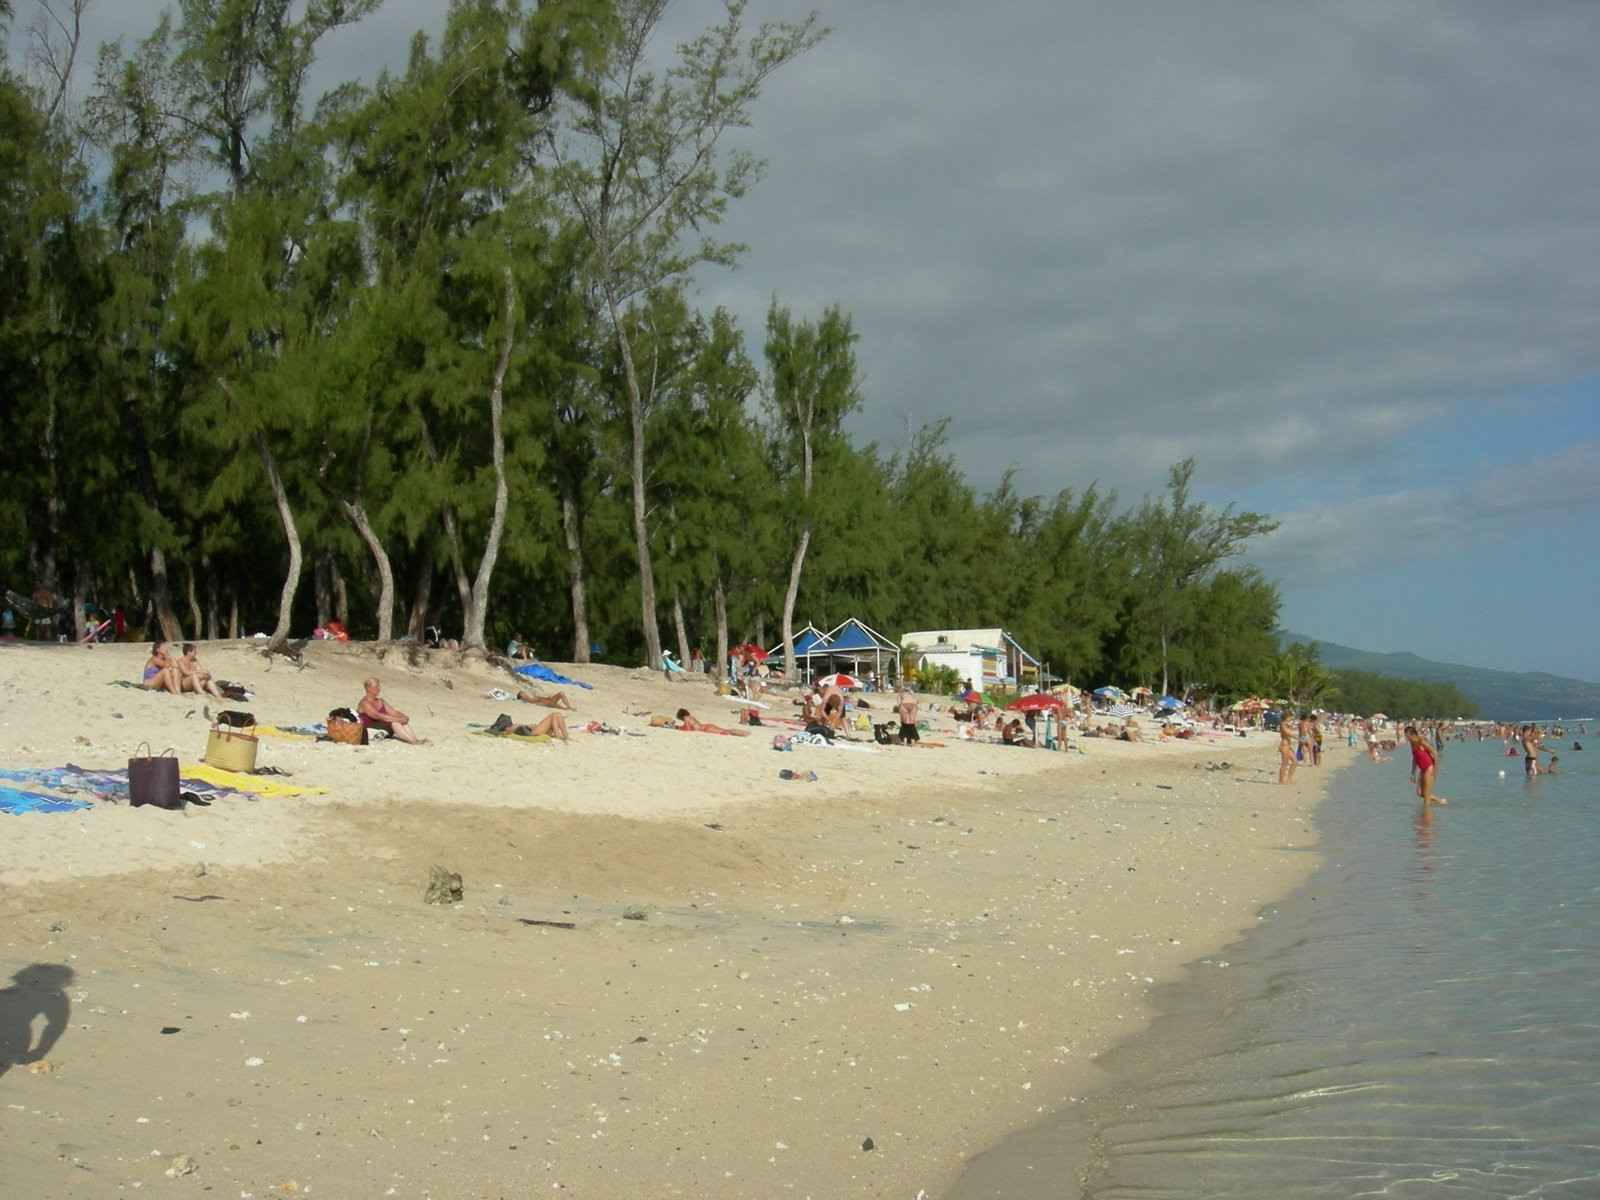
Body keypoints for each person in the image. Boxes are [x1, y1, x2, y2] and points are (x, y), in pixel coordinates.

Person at [358, 678, 425, 744]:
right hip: (370, 727)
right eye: (376, 686)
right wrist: (397, 719)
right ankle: (414, 741)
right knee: (395, 723)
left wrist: (403, 717)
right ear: (368, 688)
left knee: (403, 721)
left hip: (383, 725)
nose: (379, 689)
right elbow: (377, 716)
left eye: (379, 686)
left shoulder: (380, 701)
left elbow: (394, 712)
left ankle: (414, 739)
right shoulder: (364, 703)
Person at [1406, 725, 1446, 805]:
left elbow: (1435, 753)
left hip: (1429, 767)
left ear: (1413, 735)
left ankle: (1427, 814)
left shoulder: (1421, 741)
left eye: (1408, 737)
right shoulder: (1412, 744)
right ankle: (1438, 800)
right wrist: (1413, 773)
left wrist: (1435, 769)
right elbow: (1414, 759)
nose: (1407, 739)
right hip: (1422, 769)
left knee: (1427, 794)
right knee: (1420, 793)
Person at [675, 709, 748, 737]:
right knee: (726, 730)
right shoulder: (689, 717)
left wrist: (679, 729)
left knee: (727, 731)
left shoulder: (685, 718)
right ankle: (743, 732)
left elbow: (688, 730)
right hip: (707, 726)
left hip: (706, 729)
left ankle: (743, 733)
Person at [1278, 716, 1297, 784]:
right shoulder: (1282, 724)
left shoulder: (1286, 724)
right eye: (1289, 717)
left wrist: (1294, 726)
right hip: (1284, 745)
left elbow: (1290, 730)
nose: (1290, 718)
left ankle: (1289, 777)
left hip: (1288, 746)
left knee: (1295, 761)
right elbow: (1287, 733)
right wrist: (1297, 738)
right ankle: (1281, 780)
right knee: (1285, 764)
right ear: (1286, 717)